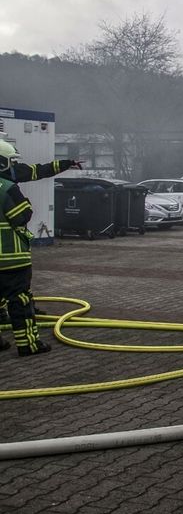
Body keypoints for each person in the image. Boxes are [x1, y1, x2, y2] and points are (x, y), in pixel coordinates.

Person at [0, 139, 81, 354]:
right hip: (11, 258)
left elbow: (37, 170)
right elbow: (22, 216)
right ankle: (28, 344)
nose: (15, 167)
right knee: (20, 301)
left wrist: (65, 163)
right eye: (11, 163)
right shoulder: (7, 188)